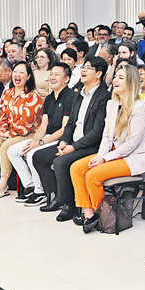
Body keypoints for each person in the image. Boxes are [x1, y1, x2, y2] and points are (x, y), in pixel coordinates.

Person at [70, 64, 145, 233]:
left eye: (121, 77)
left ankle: (101, 213)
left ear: (131, 82)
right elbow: (106, 135)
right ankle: (89, 213)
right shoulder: (112, 104)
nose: (115, 80)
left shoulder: (139, 107)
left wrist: (104, 159)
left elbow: (131, 144)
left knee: (93, 175)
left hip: (132, 158)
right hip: (113, 153)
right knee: (76, 168)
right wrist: (100, 155)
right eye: (115, 77)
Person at [33, 56, 111, 220]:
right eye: (83, 67)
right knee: (39, 157)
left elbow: (97, 132)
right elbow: (70, 125)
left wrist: (73, 147)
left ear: (98, 74)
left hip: (90, 146)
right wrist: (63, 142)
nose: (83, 70)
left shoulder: (104, 97)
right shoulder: (78, 95)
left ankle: (69, 204)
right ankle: (57, 196)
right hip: (72, 142)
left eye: (88, 68)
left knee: (60, 162)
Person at [7, 63, 75, 205]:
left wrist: (41, 143)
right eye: (51, 74)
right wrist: (34, 141)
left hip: (61, 139)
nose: (52, 77)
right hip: (47, 136)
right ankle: (30, 186)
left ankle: (40, 192)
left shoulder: (71, 97)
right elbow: (43, 125)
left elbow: (64, 129)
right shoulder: (49, 98)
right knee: (13, 151)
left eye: (57, 74)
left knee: (33, 154)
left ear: (67, 79)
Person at [0, 61, 43, 198]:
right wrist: (2, 131)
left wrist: (9, 134)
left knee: (5, 146)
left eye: (22, 72)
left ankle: (3, 182)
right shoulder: (8, 92)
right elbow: (2, 116)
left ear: (29, 76)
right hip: (10, 131)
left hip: (29, 133)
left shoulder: (33, 96)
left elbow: (26, 124)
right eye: (16, 71)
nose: (18, 75)